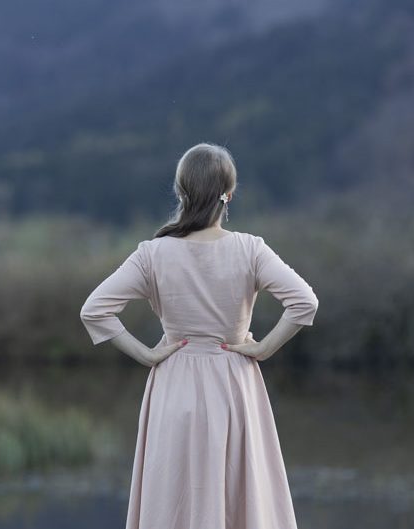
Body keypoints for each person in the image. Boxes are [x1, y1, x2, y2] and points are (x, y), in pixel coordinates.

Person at [80, 142, 319, 529]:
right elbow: (304, 302)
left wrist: (145, 354)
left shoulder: (153, 254)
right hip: (234, 382)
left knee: (174, 494)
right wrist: (263, 348)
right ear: (229, 194)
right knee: (237, 493)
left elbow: (94, 309)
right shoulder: (250, 249)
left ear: (181, 192)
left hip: (174, 383)